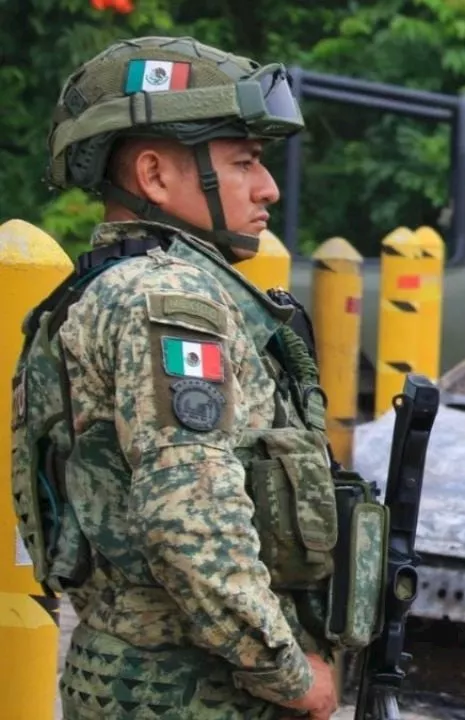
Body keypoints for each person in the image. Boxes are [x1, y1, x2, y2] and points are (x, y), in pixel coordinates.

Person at [9, 36, 380, 719]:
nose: (267, 188)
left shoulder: (104, 289)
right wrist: (289, 673)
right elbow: (191, 523)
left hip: (132, 676)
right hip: (196, 690)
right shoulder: (173, 301)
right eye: (244, 163)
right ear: (153, 175)